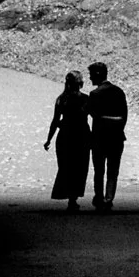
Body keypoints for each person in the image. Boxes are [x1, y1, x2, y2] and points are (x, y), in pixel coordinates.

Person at [43, 69, 90, 212]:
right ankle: (73, 198)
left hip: (65, 135)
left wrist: (49, 139)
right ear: (80, 84)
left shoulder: (61, 100)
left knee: (66, 167)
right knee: (80, 167)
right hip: (82, 135)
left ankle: (69, 194)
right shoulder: (85, 99)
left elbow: (55, 120)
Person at [85, 61, 127, 210]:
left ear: (97, 75)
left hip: (99, 138)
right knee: (113, 171)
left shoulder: (94, 94)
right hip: (116, 137)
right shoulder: (119, 91)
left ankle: (99, 197)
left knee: (99, 170)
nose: (90, 79)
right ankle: (109, 199)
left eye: (91, 75)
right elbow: (124, 116)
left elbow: (91, 113)